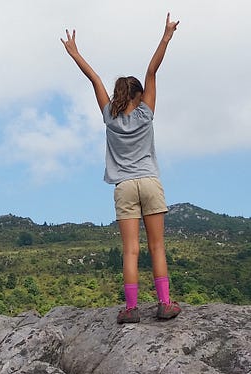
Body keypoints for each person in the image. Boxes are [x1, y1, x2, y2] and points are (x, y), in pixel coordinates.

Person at [61, 13, 182, 324]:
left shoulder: (109, 117)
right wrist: (166, 36)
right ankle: (164, 304)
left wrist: (76, 53)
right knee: (157, 246)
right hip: (150, 182)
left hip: (125, 186)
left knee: (131, 250)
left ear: (118, 96)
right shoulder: (146, 114)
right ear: (139, 96)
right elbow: (152, 70)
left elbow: (95, 80)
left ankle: (131, 310)